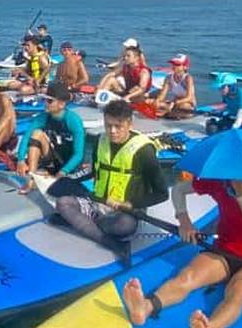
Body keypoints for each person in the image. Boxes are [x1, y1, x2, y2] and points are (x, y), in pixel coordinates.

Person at [123, 164, 242, 328]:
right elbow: (178, 190)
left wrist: (241, 190)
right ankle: (146, 306)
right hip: (225, 249)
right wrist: (184, 220)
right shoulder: (220, 179)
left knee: (239, 289)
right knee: (187, 276)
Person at [53, 100, 169, 259]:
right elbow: (94, 171)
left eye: (118, 126)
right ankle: (110, 242)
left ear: (130, 124)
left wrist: (129, 204)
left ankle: (82, 224)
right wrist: (65, 177)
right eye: (108, 125)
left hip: (125, 211)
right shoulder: (100, 140)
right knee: (63, 202)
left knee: (125, 226)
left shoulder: (144, 151)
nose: (112, 131)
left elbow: (162, 193)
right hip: (98, 202)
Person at [15, 81, 87, 194]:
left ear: (61, 104)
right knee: (37, 133)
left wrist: (63, 172)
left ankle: (52, 174)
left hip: (71, 165)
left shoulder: (73, 121)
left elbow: (79, 154)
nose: (45, 103)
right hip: (55, 159)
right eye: (45, 100)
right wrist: (20, 160)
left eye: (50, 101)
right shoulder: (43, 117)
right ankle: (31, 180)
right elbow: (26, 136)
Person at [155, 54, 196, 118]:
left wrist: (175, 102)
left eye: (177, 65)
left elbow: (189, 97)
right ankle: (170, 113)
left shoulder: (188, 78)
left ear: (185, 67)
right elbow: (162, 95)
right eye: (173, 64)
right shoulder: (169, 77)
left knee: (183, 106)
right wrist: (157, 101)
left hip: (187, 104)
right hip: (174, 104)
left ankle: (168, 113)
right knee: (153, 102)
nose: (174, 66)